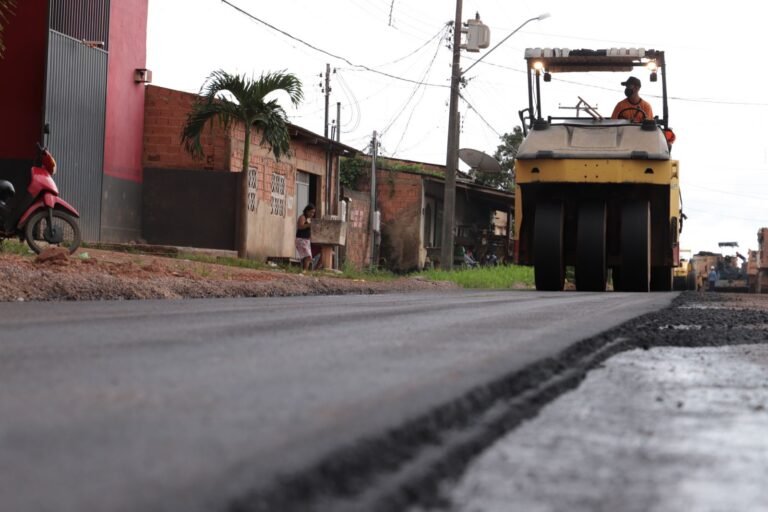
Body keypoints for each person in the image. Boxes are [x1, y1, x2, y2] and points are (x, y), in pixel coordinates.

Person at [295, 203, 315, 272]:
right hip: (301, 240)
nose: (312, 214)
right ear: (307, 211)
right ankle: (305, 270)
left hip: (306, 240)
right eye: (311, 212)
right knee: (308, 256)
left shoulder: (309, 219)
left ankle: (304, 270)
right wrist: (308, 225)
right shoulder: (302, 217)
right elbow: (300, 226)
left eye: (313, 213)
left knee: (307, 257)